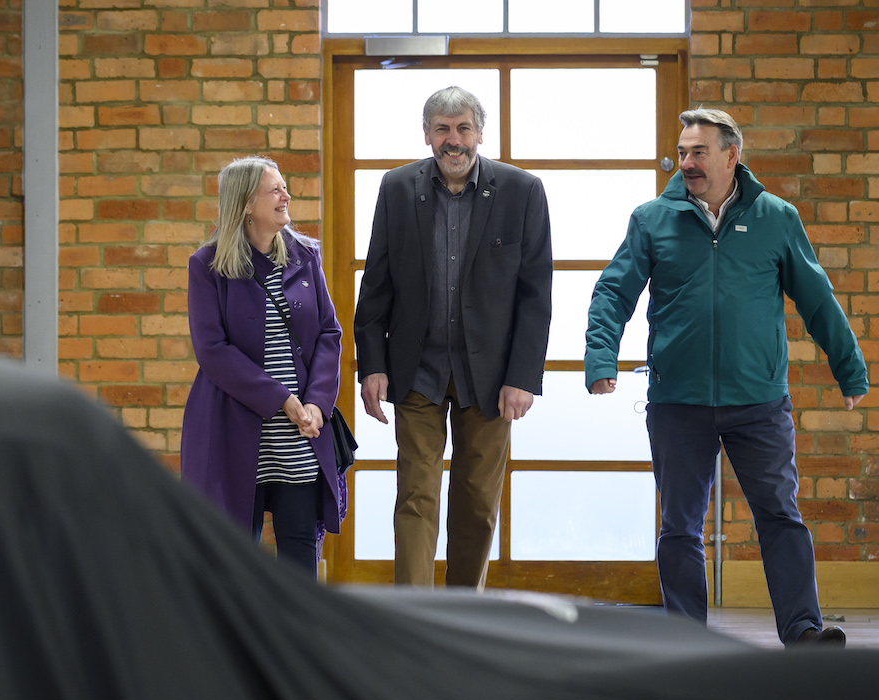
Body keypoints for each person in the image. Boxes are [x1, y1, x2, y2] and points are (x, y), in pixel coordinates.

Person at [585, 108, 868, 647]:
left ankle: (803, 631)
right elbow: (613, 292)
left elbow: (817, 300)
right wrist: (601, 360)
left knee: (781, 517)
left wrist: (849, 370)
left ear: (731, 155)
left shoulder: (775, 217)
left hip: (758, 401)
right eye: (684, 152)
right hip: (678, 401)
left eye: (699, 152)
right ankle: (688, 642)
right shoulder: (651, 219)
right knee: (679, 528)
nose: (687, 162)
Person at [354, 86, 553, 588]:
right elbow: (376, 283)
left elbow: (536, 295)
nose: (453, 140)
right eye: (442, 129)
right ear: (426, 134)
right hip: (417, 368)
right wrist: (371, 364)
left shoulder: (522, 190)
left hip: (489, 375)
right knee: (416, 497)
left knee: (477, 501)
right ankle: (416, 623)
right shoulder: (397, 188)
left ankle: (463, 617)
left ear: (480, 133)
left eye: (463, 128)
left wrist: (523, 377)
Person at [181, 156, 343, 577]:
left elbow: (329, 334)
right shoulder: (207, 265)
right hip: (233, 427)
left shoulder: (306, 257)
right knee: (234, 554)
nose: (286, 195)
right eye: (275, 189)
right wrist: (280, 399)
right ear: (246, 204)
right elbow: (212, 350)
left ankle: (297, 640)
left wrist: (317, 404)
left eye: (284, 186)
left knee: (300, 547)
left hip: (298, 429)